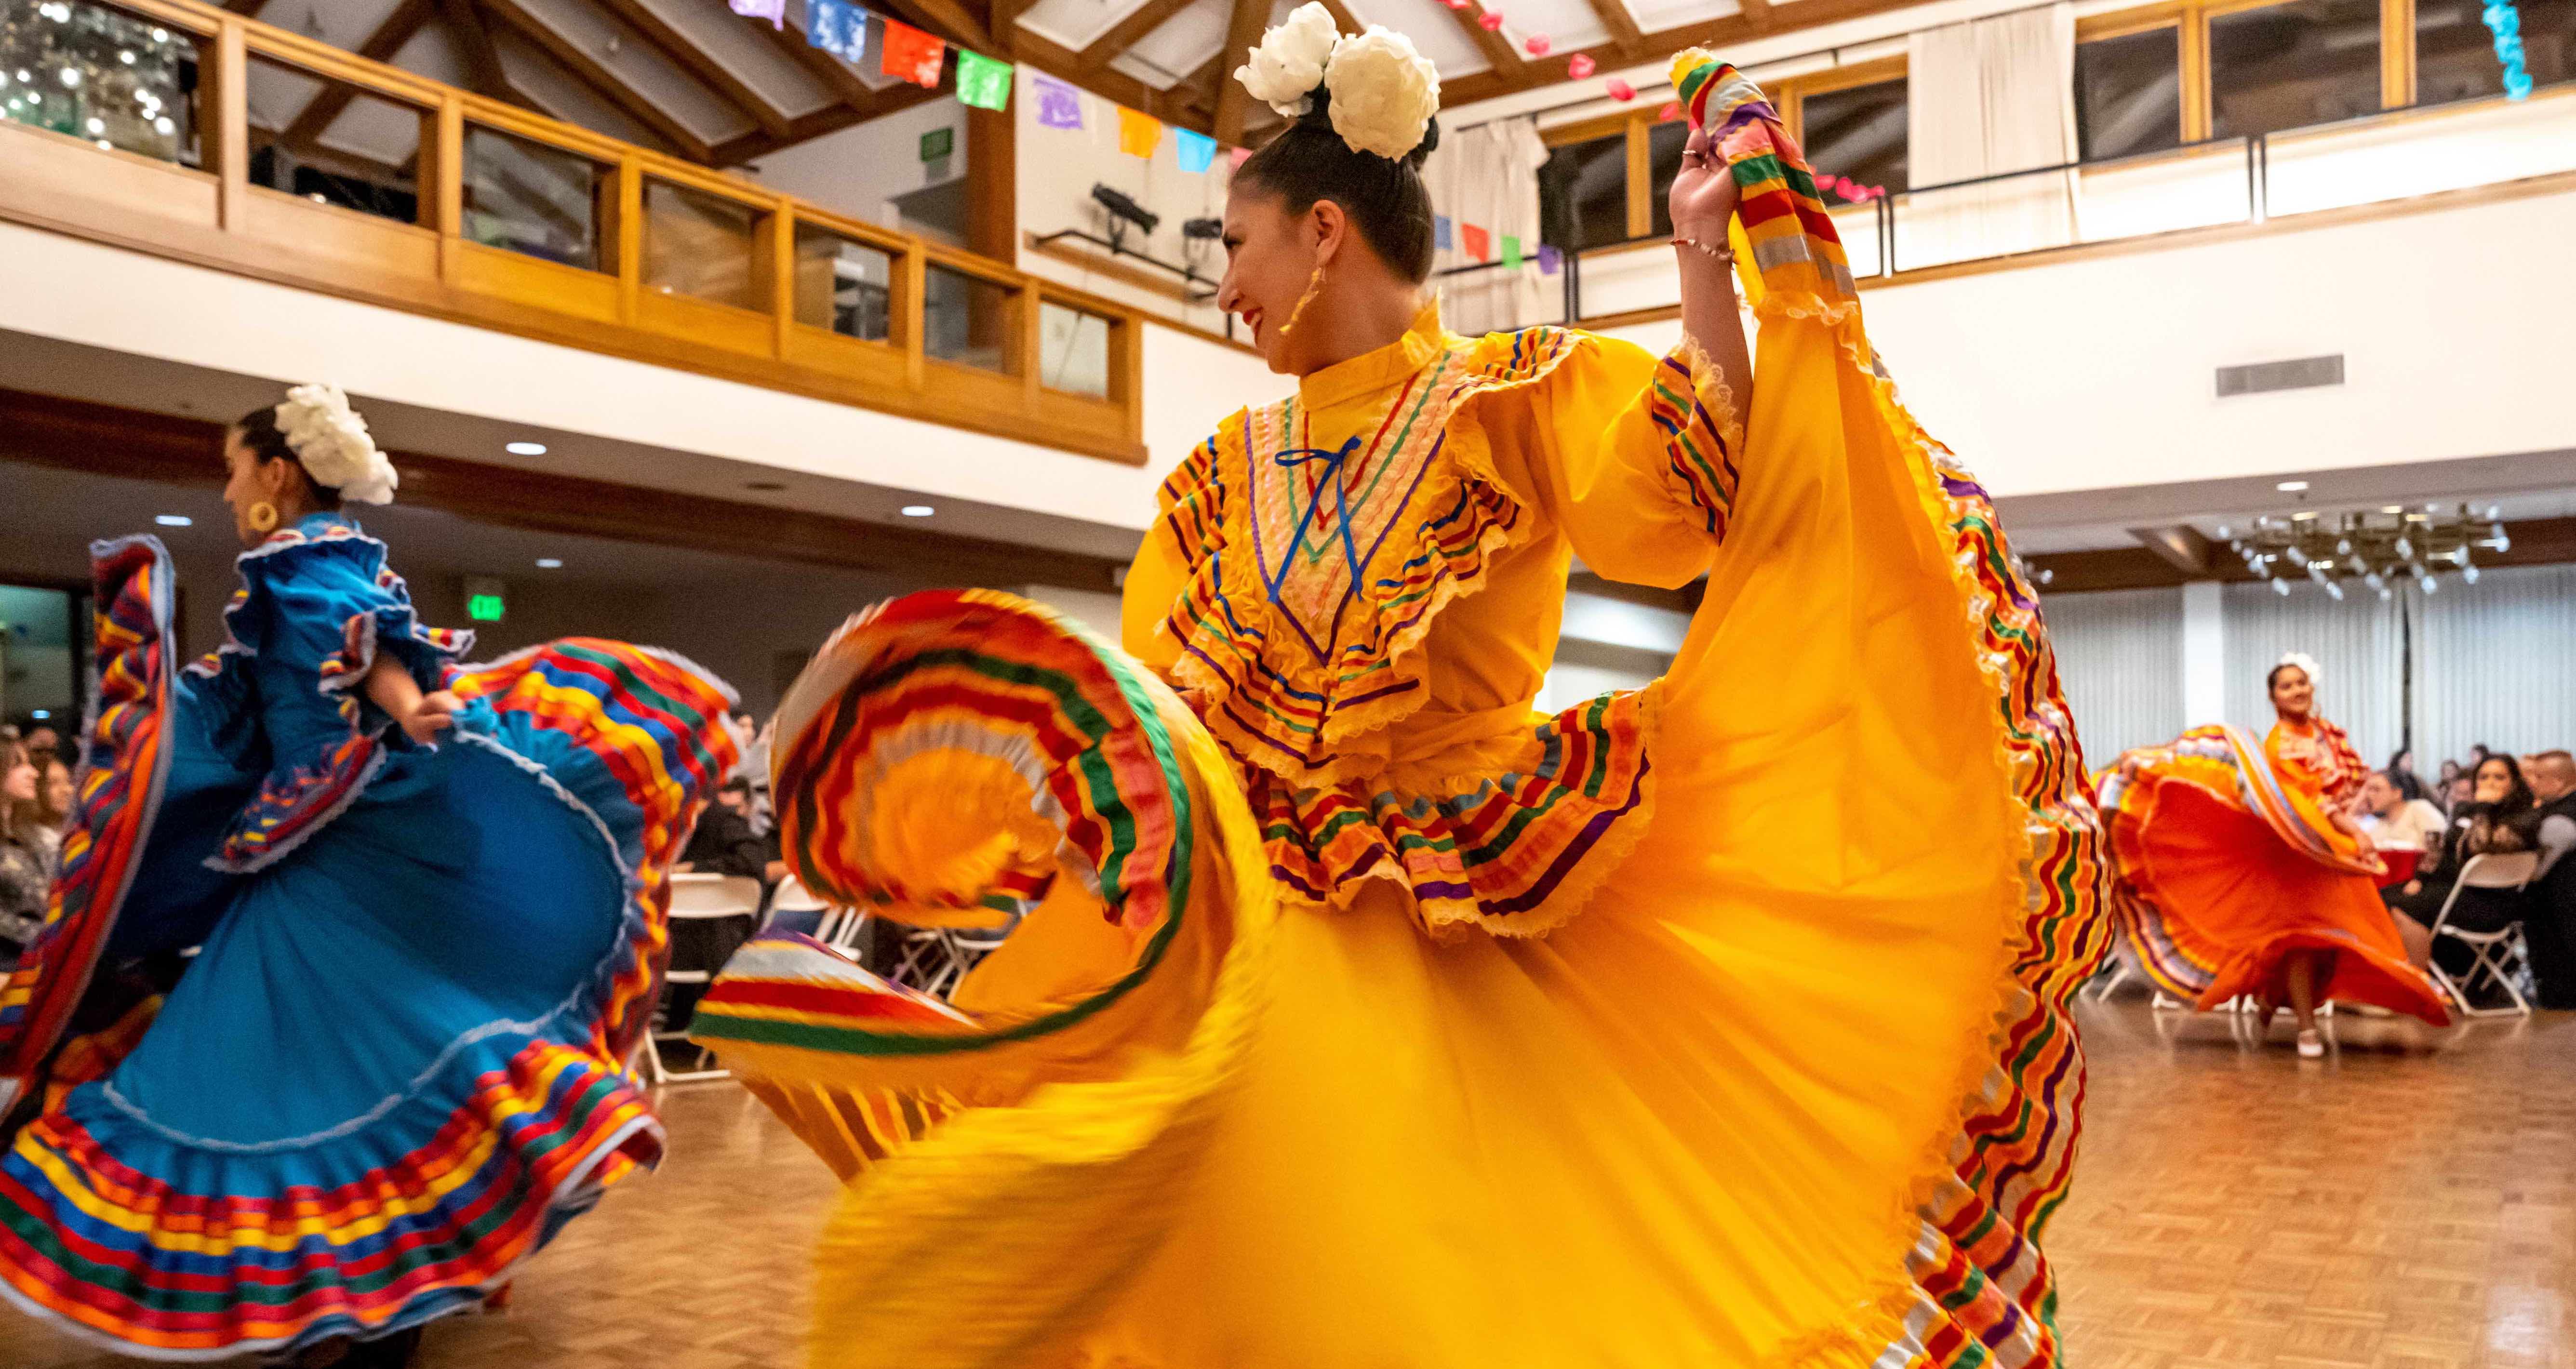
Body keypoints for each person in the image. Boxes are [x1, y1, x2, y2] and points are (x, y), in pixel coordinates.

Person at [688, 29, 2107, 1369]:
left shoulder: (1508, 395)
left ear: (1323, 232)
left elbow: (1687, 498)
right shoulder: (1209, 477)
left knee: (1429, 1275)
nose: (1222, 285)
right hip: (1244, 926)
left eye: (1233, 245)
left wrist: (1695, 256)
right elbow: (1167, 720)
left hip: (1454, 920)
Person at [0, 385, 737, 1365]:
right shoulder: (326, 566)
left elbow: (373, 651)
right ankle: (364, 1312)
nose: (224, 490)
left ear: (276, 473)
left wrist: (407, 703)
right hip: (319, 845)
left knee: (267, 1080)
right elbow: (364, 656)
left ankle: (353, 1313)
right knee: (340, 1075)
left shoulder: (305, 574)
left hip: (333, 859)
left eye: (231, 468)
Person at [2103, 653, 2447, 1058]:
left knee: (2329, 940)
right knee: (2302, 937)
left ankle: (2274, 999)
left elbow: (2338, 791)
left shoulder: (2324, 734)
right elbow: (2304, 799)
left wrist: (2350, 828)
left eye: (2301, 682)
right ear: (2273, 696)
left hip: (2326, 847)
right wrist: (2351, 829)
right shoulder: (2280, 742)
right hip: (2297, 849)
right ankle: (2306, 1028)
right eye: (2286, 685)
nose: (2296, 690)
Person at [2387, 753, 2542, 951]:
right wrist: (2420, 878)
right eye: (2483, 777)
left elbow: (2483, 846)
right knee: (2382, 896)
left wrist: (2483, 808)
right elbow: (2441, 849)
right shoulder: (2464, 809)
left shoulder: (2525, 817)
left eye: (2499, 778)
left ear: (2513, 783)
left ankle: (2417, 977)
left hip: (2491, 901)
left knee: (2401, 907)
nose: (2490, 783)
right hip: (2449, 888)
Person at [2521, 750, 2576, 1007]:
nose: (2532, 782)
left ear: (2558, 783)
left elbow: (2535, 871)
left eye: (2538, 776)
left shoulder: (2559, 820)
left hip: (2557, 911)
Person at [0, 742, 46, 965]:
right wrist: (45, 939)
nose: (34, 773)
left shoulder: (26, 833)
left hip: (33, 961)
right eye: (20, 764)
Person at [2356, 769, 2446, 853]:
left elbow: (2440, 843)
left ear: (2397, 793)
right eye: (2368, 790)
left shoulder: (2419, 808)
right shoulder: (2379, 826)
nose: (2369, 795)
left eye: (2377, 790)